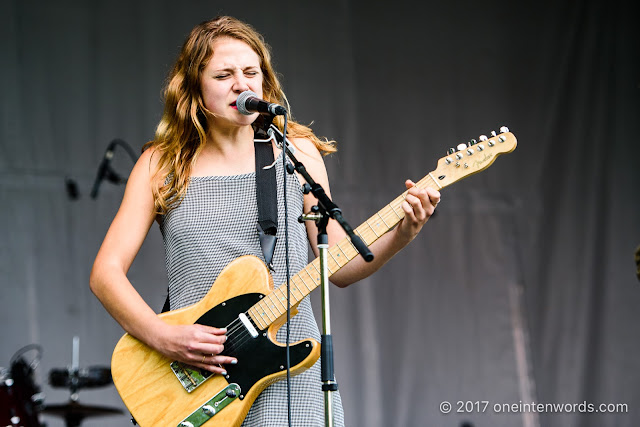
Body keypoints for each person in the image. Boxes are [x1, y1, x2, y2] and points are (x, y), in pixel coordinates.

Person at [90, 16, 440, 427]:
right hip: (201, 373)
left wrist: (404, 232)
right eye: (223, 74)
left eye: (250, 72)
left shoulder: (298, 153)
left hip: (289, 372)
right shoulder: (161, 164)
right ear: (194, 89)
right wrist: (161, 336)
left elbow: (340, 266)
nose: (241, 84)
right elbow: (105, 273)